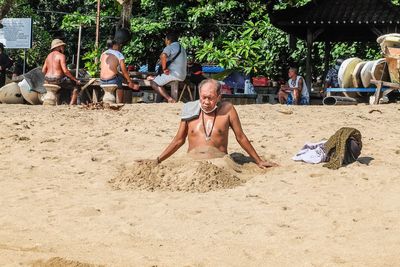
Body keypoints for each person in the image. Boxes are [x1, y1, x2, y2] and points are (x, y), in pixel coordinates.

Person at [151, 79, 278, 169]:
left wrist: (259, 161)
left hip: (220, 163)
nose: (206, 102)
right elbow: (178, 140)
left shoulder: (228, 110)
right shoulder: (189, 109)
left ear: (218, 97)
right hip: (191, 163)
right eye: (203, 97)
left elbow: (241, 137)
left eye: (210, 98)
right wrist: (157, 160)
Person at [148, 32, 187, 103]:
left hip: (174, 75)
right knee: (160, 82)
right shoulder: (182, 48)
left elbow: (163, 56)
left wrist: (164, 68)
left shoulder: (170, 47)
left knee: (153, 83)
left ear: (168, 40)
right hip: (183, 75)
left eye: (165, 40)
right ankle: (159, 102)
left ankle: (169, 99)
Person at [42, 39, 81, 105]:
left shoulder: (48, 56)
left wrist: (49, 76)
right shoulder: (61, 56)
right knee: (76, 87)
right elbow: (65, 71)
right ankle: (71, 105)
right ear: (58, 47)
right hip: (57, 80)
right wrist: (75, 79)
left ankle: (58, 102)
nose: (63, 48)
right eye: (62, 46)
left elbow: (43, 70)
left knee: (62, 87)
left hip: (47, 79)